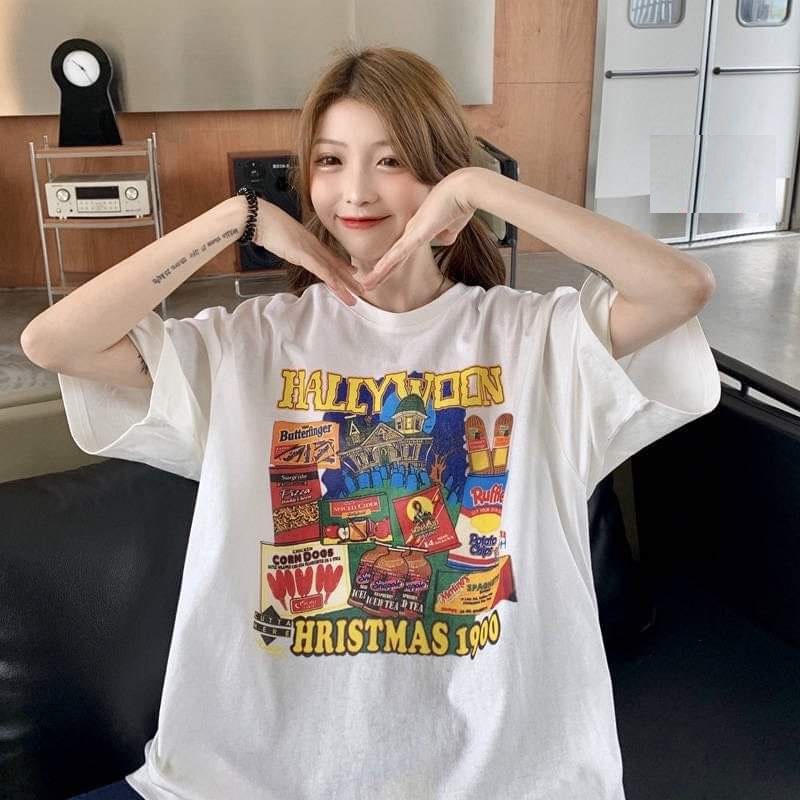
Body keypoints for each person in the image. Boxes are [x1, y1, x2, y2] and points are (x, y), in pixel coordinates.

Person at [22, 45, 720, 800]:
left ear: (441, 177)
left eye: (392, 161)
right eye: (330, 160)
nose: (354, 190)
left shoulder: (535, 339)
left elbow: (681, 287)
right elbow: (54, 343)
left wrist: (483, 187)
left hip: (511, 777)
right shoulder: (250, 343)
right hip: (255, 776)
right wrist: (234, 219)